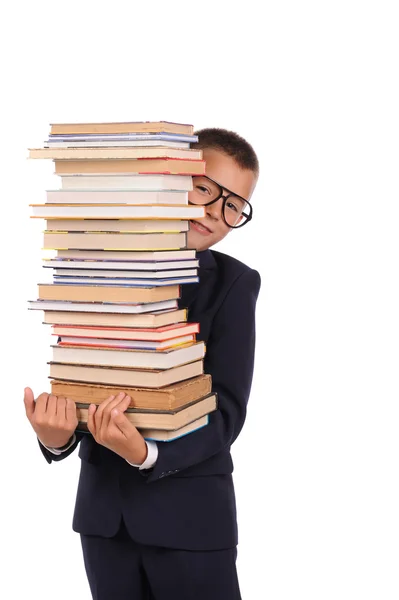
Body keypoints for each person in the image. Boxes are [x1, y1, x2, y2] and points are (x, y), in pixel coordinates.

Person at [24, 127, 261, 600]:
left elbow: (226, 413)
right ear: (171, 178)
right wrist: (58, 438)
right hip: (104, 522)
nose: (215, 210)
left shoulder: (234, 285)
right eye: (206, 188)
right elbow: (85, 379)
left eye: (233, 204)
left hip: (192, 523)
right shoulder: (95, 262)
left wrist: (147, 454)